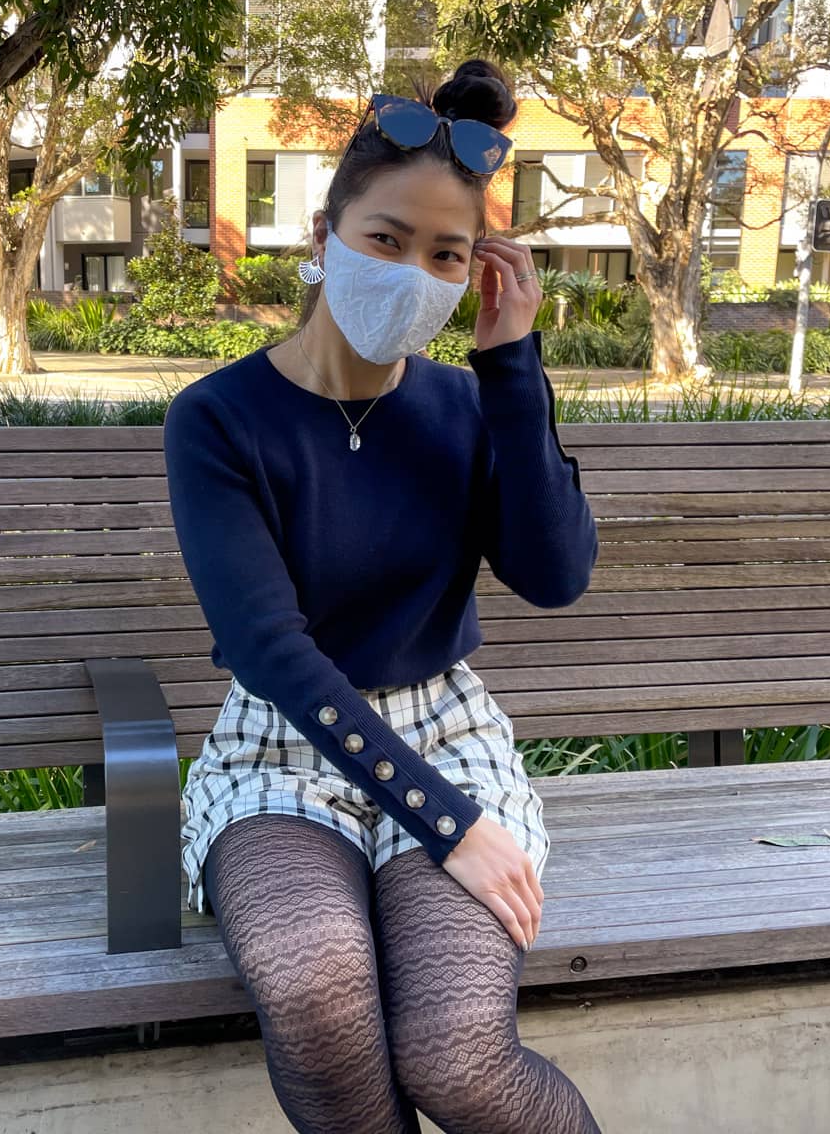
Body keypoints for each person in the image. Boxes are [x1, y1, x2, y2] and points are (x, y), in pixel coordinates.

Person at [162, 59, 604, 1134]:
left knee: (457, 1060)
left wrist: (511, 369)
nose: (413, 272)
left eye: (445, 254)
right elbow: (268, 648)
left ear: (475, 271)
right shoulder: (218, 419)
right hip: (278, 749)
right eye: (386, 241)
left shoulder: (463, 405)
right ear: (324, 237)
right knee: (315, 992)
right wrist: (455, 828)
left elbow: (553, 578)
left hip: (444, 733)